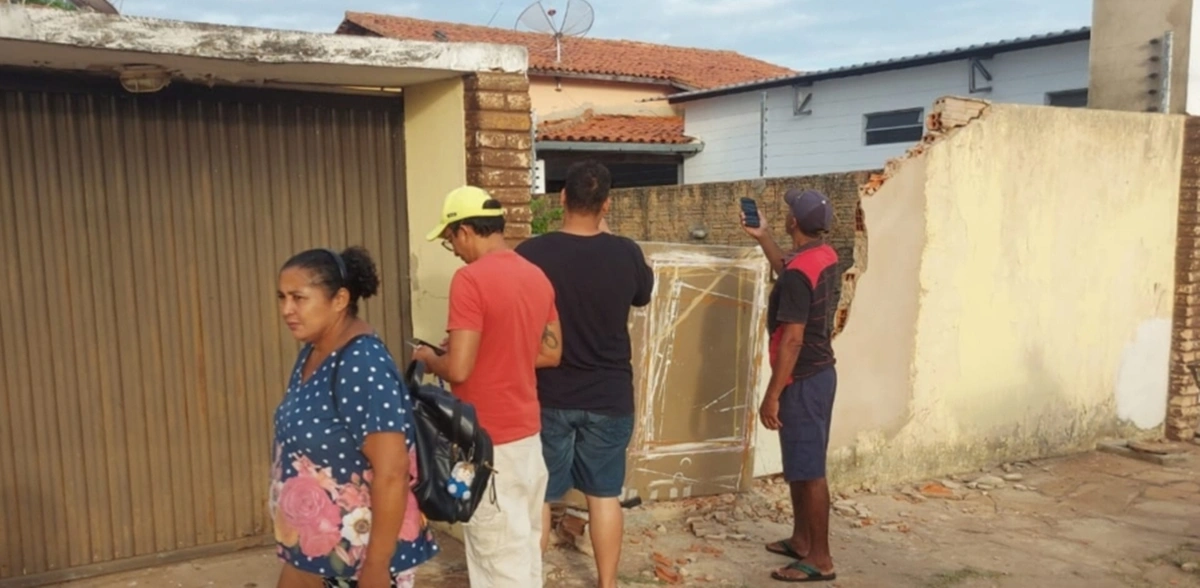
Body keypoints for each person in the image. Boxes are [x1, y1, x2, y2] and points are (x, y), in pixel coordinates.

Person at [412, 186, 562, 588]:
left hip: (485, 443)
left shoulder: (470, 280)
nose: (455, 251)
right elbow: (551, 352)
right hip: (528, 439)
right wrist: (493, 350)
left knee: (497, 563)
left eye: (450, 241)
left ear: (464, 230)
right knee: (525, 552)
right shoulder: (536, 276)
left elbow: (458, 369)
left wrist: (429, 358)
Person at [514, 160, 653, 588]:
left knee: (540, 495)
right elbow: (643, 294)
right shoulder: (625, 252)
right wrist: (608, 236)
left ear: (562, 198)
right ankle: (607, 583)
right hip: (609, 396)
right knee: (604, 495)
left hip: (548, 394)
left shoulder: (531, 254)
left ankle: (530, 580)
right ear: (606, 204)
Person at [271, 246, 438, 588]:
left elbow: (392, 472)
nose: (287, 309)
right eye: (282, 297)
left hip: (358, 558)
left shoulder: (361, 363)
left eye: (299, 298)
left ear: (340, 299)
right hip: (316, 551)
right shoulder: (313, 352)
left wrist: (376, 568)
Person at [741, 189, 840, 583]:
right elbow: (788, 267)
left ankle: (821, 559)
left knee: (810, 470)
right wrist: (763, 236)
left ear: (794, 222)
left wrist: (773, 395)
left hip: (802, 378)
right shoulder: (822, 256)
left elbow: (793, 340)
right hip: (818, 374)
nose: (785, 215)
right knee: (800, 463)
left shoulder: (799, 274)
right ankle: (801, 540)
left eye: (787, 212)